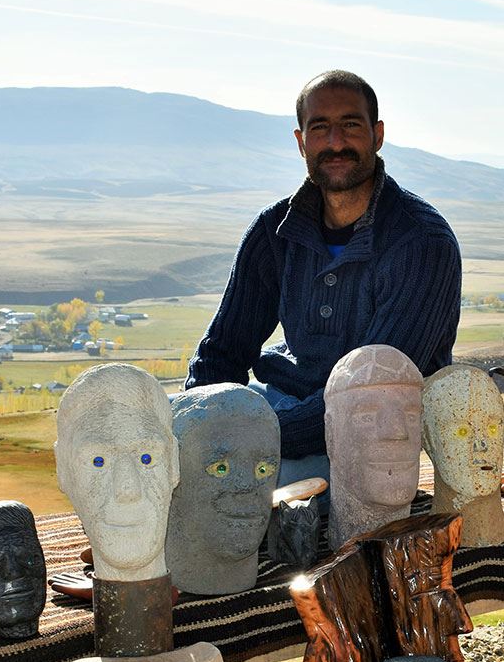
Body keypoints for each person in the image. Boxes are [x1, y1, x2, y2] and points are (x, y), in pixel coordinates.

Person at [185, 70, 462, 484]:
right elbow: (222, 351)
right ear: (301, 142)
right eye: (320, 128)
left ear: (377, 135)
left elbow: (374, 391)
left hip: (366, 440)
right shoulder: (274, 231)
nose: (336, 142)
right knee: (149, 446)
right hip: (275, 413)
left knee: (215, 490)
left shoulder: (422, 244)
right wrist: (203, 421)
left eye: (350, 125)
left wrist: (253, 440)